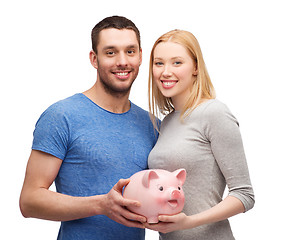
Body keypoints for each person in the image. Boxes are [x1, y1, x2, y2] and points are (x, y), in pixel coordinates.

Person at [19, 16, 158, 240]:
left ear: (141, 56)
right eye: (111, 52)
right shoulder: (62, 116)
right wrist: (101, 204)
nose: (122, 61)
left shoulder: (152, 125)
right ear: (94, 59)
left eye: (130, 51)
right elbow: (29, 201)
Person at [145, 29, 255, 240]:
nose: (166, 72)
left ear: (196, 67)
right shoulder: (166, 122)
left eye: (177, 63)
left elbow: (244, 195)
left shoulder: (214, 113)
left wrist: (189, 222)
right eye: (159, 63)